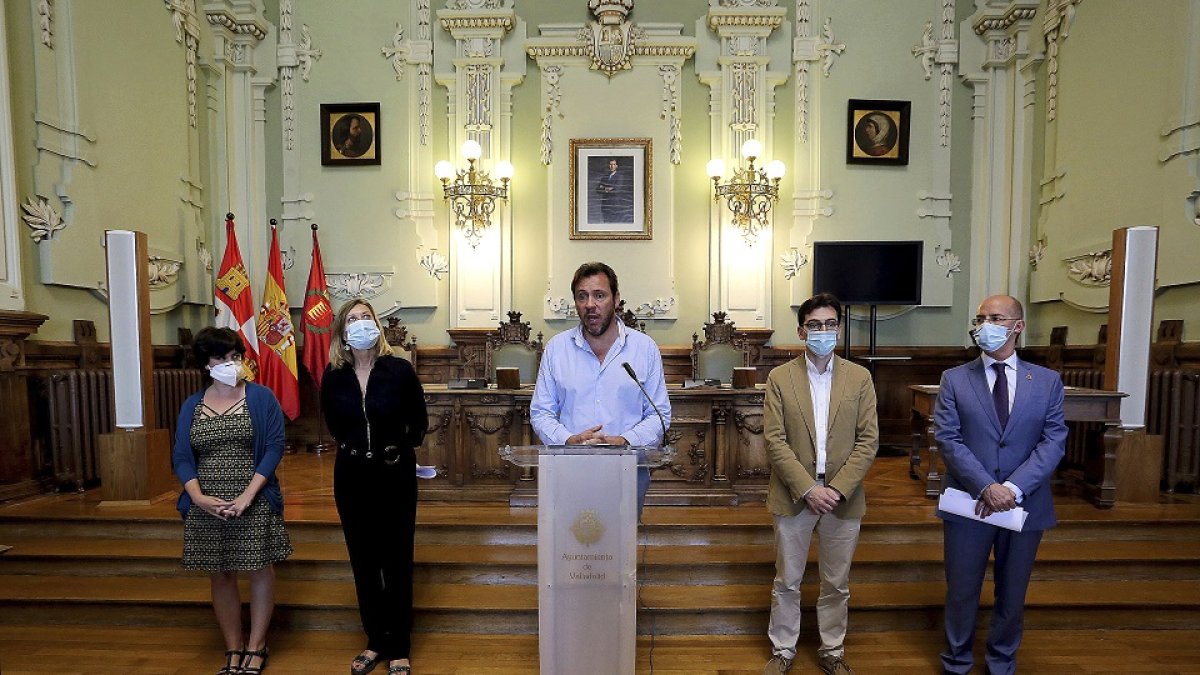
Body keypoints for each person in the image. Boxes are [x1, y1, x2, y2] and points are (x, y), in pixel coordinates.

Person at [934, 295, 1067, 675]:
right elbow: (948, 438)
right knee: (961, 591)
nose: (985, 325)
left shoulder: (1046, 381)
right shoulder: (955, 379)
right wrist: (986, 487)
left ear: (1018, 327)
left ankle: (1001, 663)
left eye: (995, 317)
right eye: (980, 318)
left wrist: (1014, 488)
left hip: (1024, 505)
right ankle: (957, 662)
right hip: (969, 502)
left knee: (1012, 593)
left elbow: (1053, 440)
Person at [761, 293, 879, 675]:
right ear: (801, 331)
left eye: (830, 325)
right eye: (815, 325)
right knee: (787, 580)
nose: (823, 331)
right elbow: (774, 440)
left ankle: (832, 650)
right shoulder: (780, 378)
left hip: (843, 497)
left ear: (839, 330)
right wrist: (810, 488)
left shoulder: (860, 378)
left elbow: (868, 441)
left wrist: (837, 488)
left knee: (836, 582)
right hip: (795, 495)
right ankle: (783, 649)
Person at [173, 326, 292, 675]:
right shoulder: (192, 404)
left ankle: (256, 645)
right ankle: (233, 647)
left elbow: (273, 448)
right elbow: (182, 454)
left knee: (259, 569)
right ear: (205, 364)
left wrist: (246, 496)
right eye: (221, 358)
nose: (231, 364)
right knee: (221, 574)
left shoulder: (261, 397)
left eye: (235, 357)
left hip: (253, 495)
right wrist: (197, 496)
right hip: (207, 501)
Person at [321, 299, 428, 675]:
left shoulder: (398, 370)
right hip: (351, 476)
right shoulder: (333, 375)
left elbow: (419, 423)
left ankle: (399, 644)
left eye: (367, 317)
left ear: (377, 327)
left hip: (393, 473)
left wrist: (392, 447)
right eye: (353, 319)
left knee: (396, 560)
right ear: (343, 332)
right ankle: (375, 640)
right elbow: (332, 424)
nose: (362, 323)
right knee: (363, 561)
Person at [530, 261, 670, 516]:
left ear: (616, 300)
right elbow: (541, 412)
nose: (590, 304)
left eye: (599, 295)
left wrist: (624, 441)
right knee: (570, 549)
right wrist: (569, 440)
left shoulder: (644, 349)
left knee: (620, 549)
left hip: (627, 470)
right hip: (569, 470)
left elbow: (659, 416)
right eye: (582, 297)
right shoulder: (556, 349)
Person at [595, 158, 632, 223]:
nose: (612, 166)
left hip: (615, 205)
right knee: (606, 224)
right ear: (608, 165)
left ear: (616, 166)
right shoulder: (605, 177)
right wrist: (608, 188)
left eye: (614, 164)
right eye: (610, 164)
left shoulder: (620, 176)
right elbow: (597, 190)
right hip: (605, 206)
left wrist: (603, 187)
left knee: (614, 225)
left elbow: (617, 190)